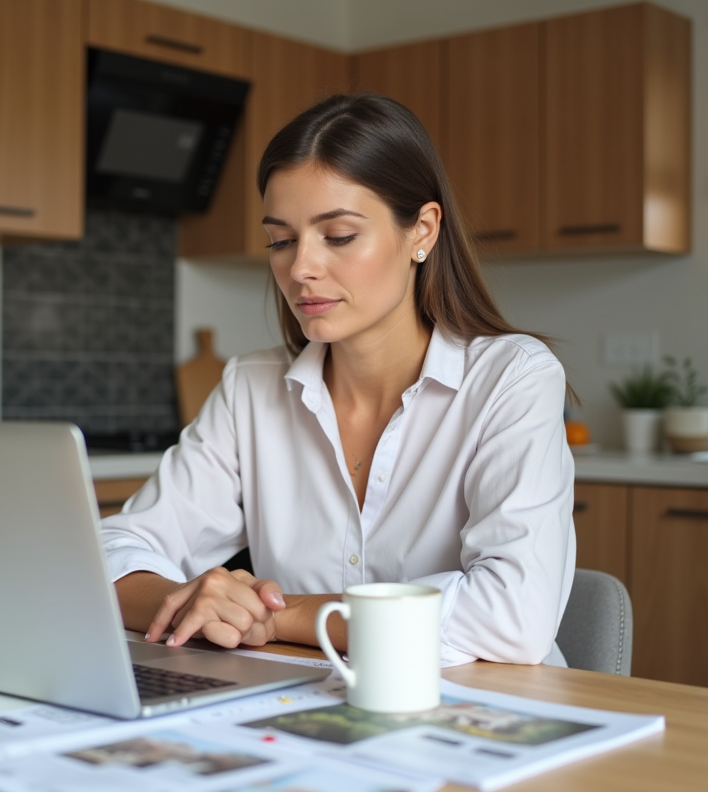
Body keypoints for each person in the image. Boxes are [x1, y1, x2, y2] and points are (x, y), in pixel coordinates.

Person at [101, 94, 575, 667]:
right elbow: (112, 550)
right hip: (305, 711)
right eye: (280, 240)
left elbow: (512, 617)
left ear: (422, 231)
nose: (300, 267)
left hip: (493, 721)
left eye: (340, 235)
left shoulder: (512, 379)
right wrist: (190, 600)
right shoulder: (252, 387)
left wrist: (277, 613)